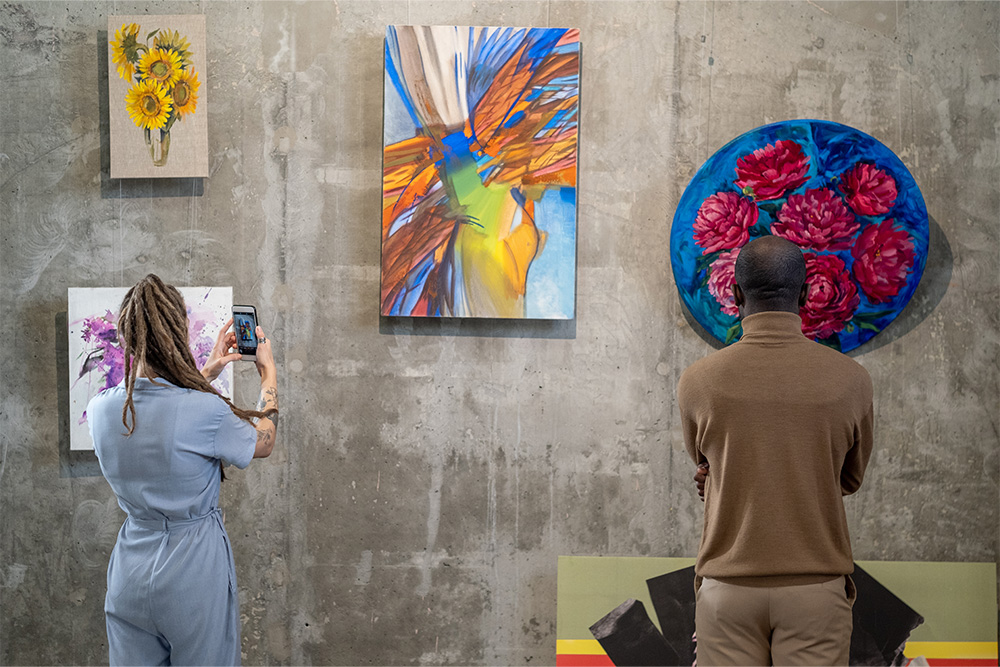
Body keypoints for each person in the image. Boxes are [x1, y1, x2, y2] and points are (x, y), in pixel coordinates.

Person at [677, 236, 873, 666]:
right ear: (804, 294)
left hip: (727, 588)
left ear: (735, 293)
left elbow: (707, 466)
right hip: (815, 589)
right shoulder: (851, 379)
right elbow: (850, 478)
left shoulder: (698, 381)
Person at [87, 274, 279, 666]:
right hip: (192, 569)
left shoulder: (103, 410)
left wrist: (204, 374)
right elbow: (265, 441)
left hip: (130, 569)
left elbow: (159, 410)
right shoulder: (205, 412)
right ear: (177, 330)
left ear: (125, 335)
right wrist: (268, 375)